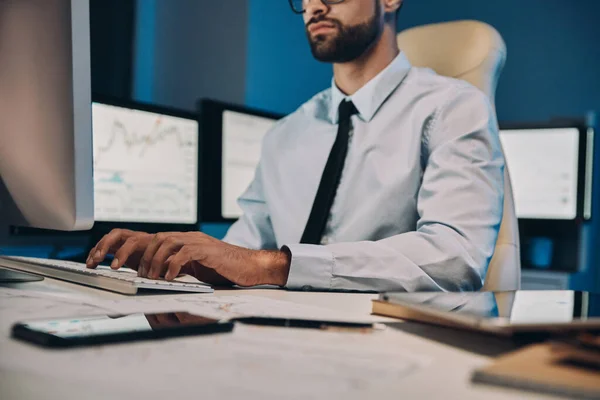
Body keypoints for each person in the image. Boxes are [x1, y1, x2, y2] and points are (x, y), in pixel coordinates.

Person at [86, 0, 505, 292]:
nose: (314, 7)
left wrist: (273, 266)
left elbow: (456, 257)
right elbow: (243, 249)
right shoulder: (287, 133)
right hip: (275, 335)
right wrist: (176, 258)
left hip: (389, 344)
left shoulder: (454, 107)